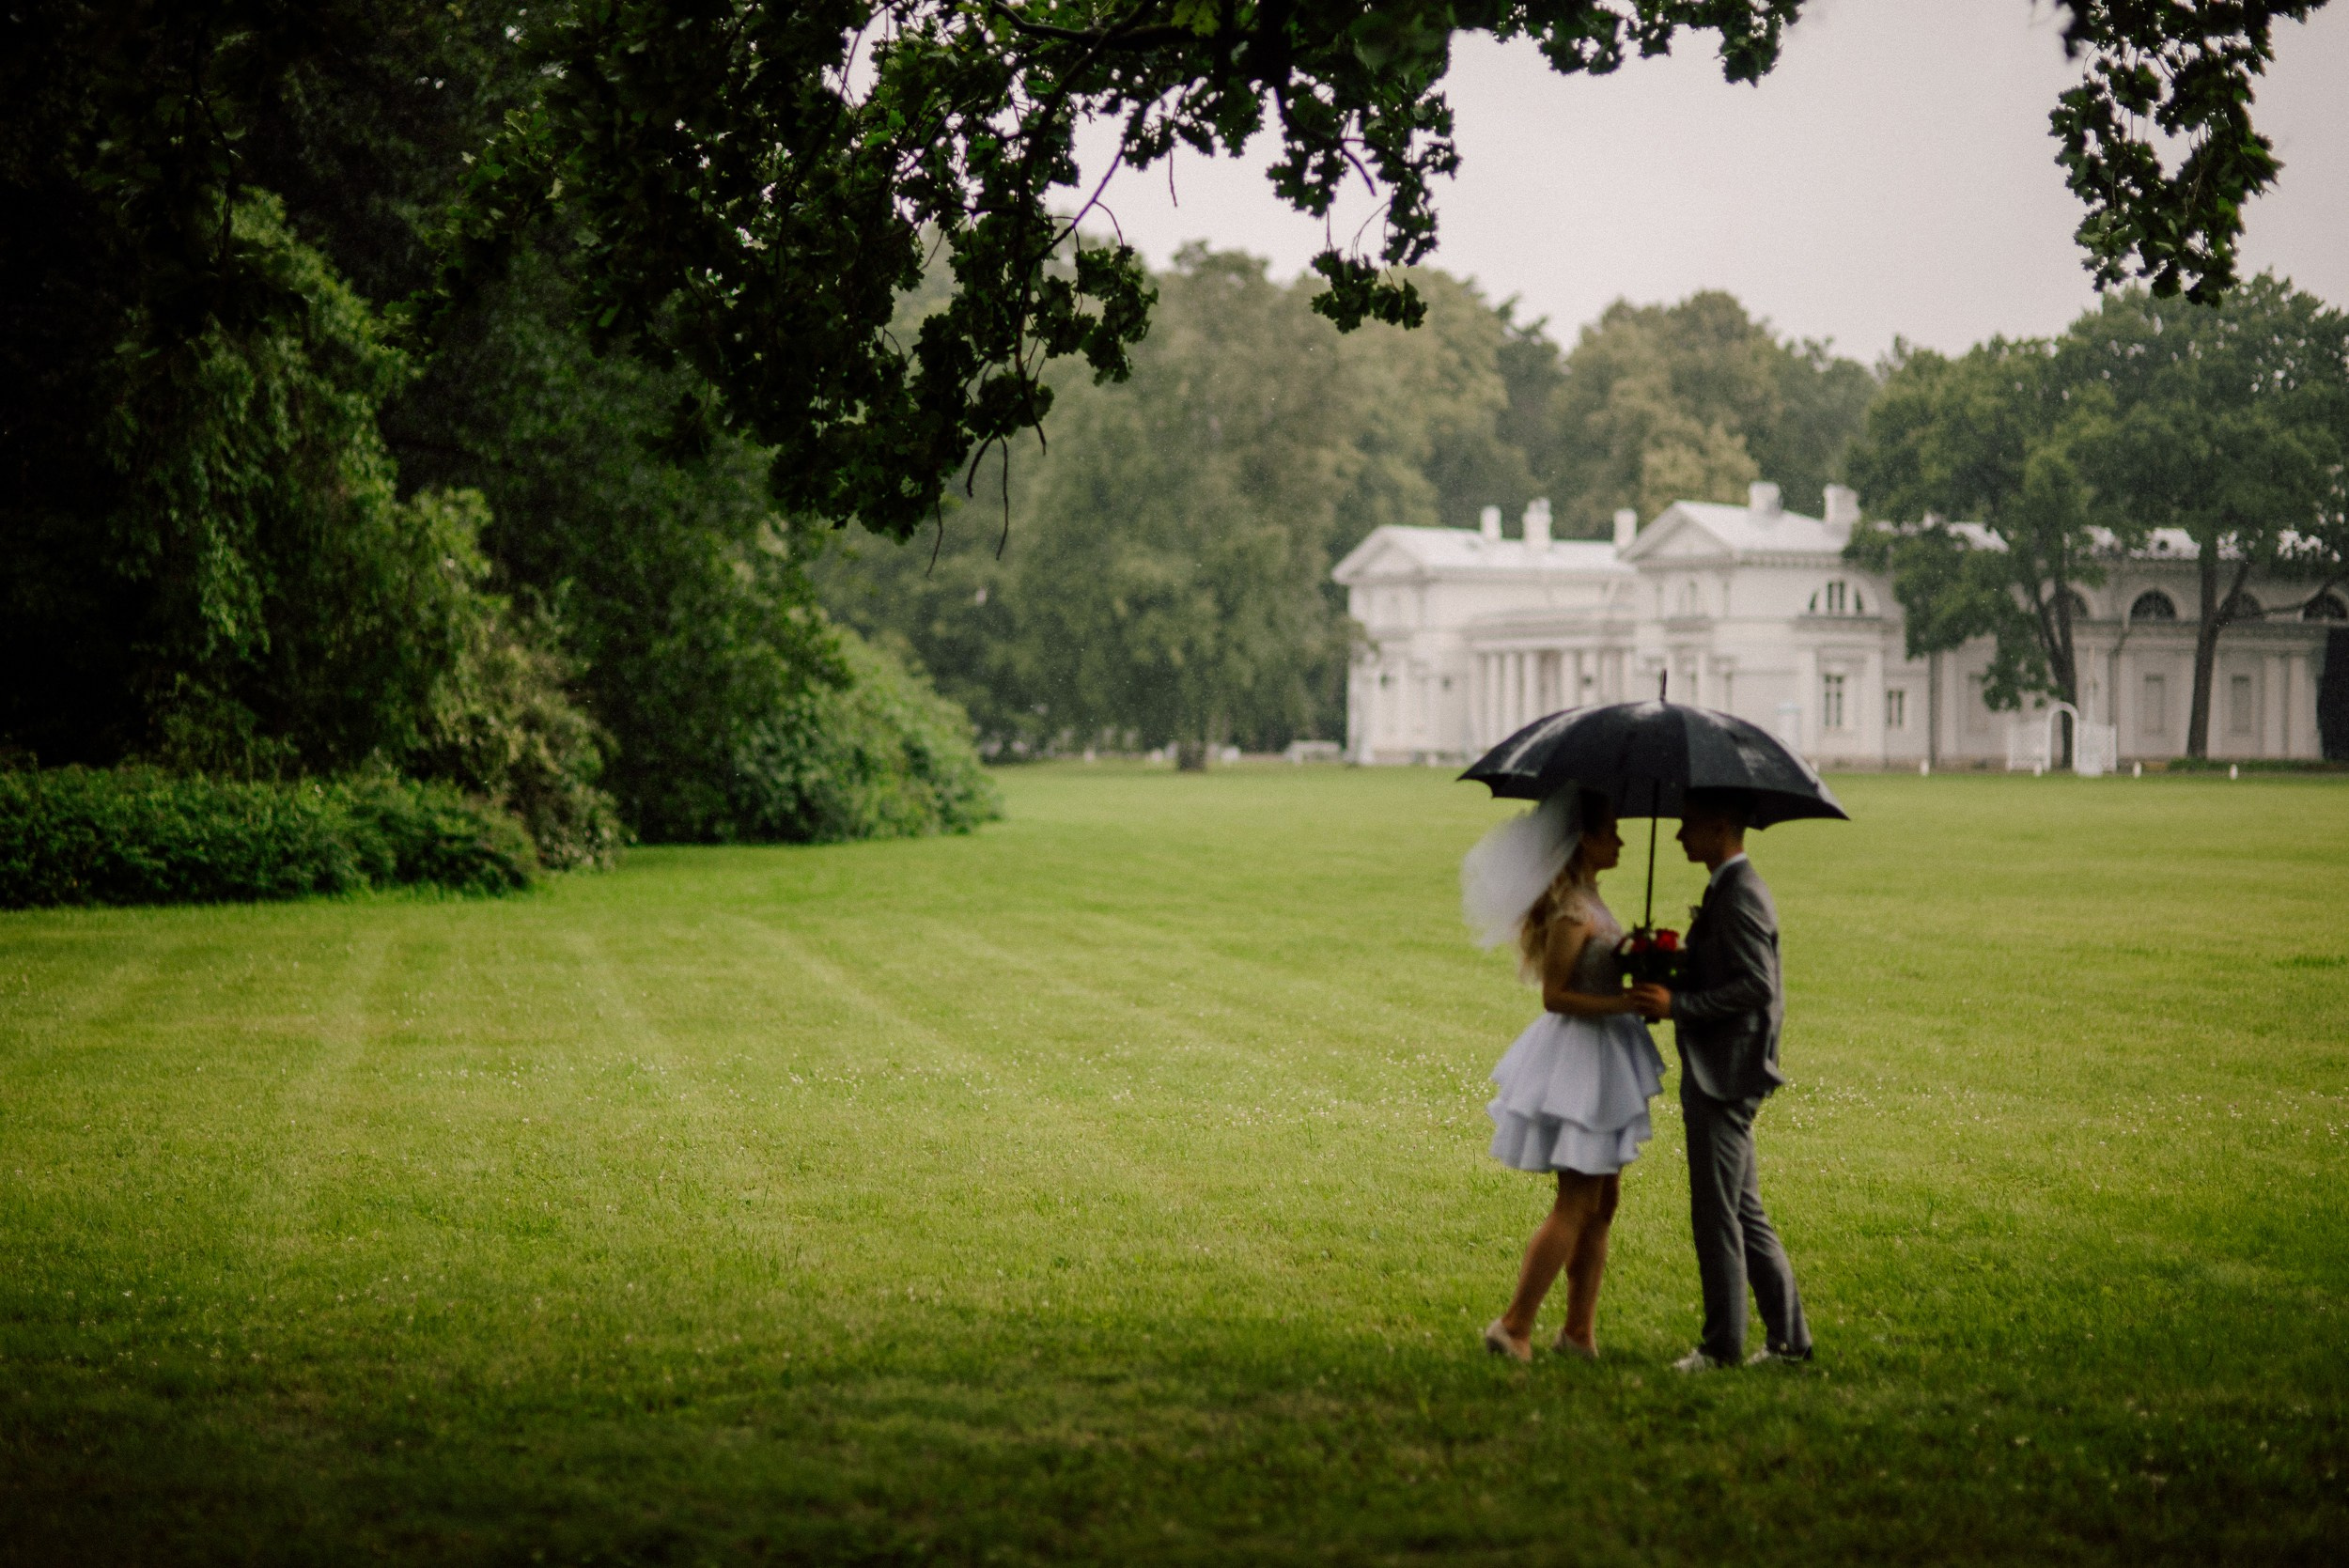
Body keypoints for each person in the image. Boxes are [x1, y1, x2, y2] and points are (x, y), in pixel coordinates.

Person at [1462, 789, 1665, 1363]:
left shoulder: (1592, 902)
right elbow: (1555, 997)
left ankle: (1579, 1332)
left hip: (1606, 1056)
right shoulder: (1572, 911)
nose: (1621, 840)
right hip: (1581, 1061)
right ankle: (1514, 1324)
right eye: (1612, 830)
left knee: (1604, 1202)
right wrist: (1623, 1002)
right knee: (1576, 1201)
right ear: (1584, 841)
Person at [1627, 787, 1813, 1371]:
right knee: (1743, 1210)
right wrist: (1665, 963)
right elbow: (1726, 968)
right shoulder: (1726, 889)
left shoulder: (1738, 895)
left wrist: (1678, 1006)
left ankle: (1721, 1347)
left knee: (1716, 1214)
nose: (1679, 834)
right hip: (1724, 1067)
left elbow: (1757, 985)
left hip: (1725, 1073)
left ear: (1718, 828)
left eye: (1688, 824)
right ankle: (1789, 1342)